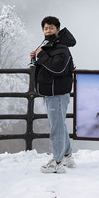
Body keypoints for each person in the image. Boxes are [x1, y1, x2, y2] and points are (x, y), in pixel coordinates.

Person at [29, 16, 76, 174]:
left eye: (51, 28)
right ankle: (67, 155)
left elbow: (57, 68)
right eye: (45, 28)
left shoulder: (61, 47)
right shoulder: (51, 45)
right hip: (53, 92)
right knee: (60, 124)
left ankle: (57, 162)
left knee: (56, 127)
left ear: (57, 29)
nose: (48, 30)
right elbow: (47, 66)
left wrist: (41, 55)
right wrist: (36, 59)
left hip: (57, 93)